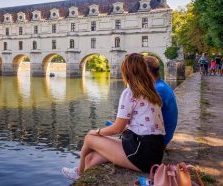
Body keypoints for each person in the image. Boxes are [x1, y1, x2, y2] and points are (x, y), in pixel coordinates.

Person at [61, 53, 165, 181]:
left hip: (141, 152)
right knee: (91, 158)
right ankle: (83, 175)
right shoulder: (151, 91)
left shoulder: (130, 92)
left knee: (89, 138)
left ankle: (78, 172)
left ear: (126, 72)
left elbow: (117, 128)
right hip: (154, 150)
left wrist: (97, 132)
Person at [145, 56, 178, 146]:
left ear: (146, 72)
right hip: (164, 136)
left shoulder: (157, 90)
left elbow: (147, 121)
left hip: (159, 140)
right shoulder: (161, 85)